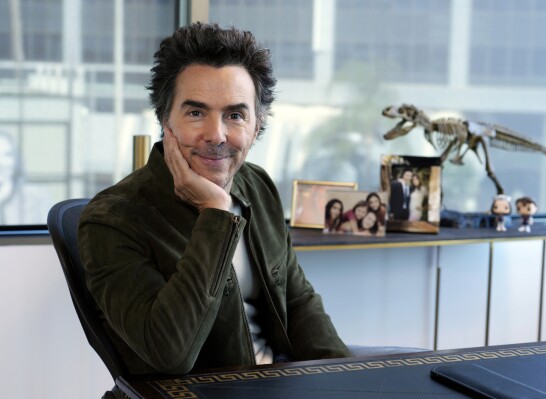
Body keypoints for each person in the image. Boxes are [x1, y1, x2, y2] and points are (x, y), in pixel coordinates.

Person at [77, 22, 350, 380]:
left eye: (235, 115)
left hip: (274, 385)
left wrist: (346, 378)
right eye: (195, 113)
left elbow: (298, 303)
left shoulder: (257, 186)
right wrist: (215, 214)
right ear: (165, 119)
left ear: (257, 125)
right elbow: (169, 355)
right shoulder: (112, 220)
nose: (216, 135)